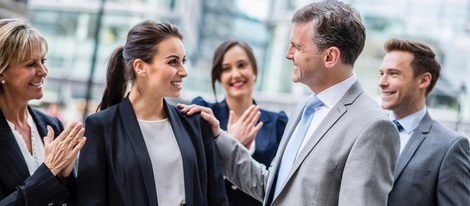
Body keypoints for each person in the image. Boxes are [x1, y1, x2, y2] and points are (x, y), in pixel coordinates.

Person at [181, 0, 400, 205]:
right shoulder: (304, 109)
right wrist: (219, 137)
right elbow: (270, 188)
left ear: (330, 57)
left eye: (297, 46)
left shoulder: (373, 127)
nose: (288, 54)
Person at [76, 20, 228, 206]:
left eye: (183, 61)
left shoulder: (195, 123)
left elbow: (217, 198)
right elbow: (90, 201)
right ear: (140, 67)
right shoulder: (101, 127)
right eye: (173, 61)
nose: (184, 71)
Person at [0, 18, 86, 205]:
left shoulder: (52, 125)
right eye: (31, 64)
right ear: (2, 72)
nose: (43, 71)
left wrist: (64, 176)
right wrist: (49, 172)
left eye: (43, 61)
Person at [191, 40, 288, 206]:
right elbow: (193, 175)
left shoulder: (278, 123)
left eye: (242, 65)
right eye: (226, 68)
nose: (235, 74)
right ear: (219, 77)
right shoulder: (204, 115)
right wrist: (230, 142)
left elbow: (281, 184)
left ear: (254, 71)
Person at [378, 38, 470, 206]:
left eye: (393, 73)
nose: (382, 82)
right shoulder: (367, 129)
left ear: (423, 80)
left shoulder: (450, 147)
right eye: (381, 73)